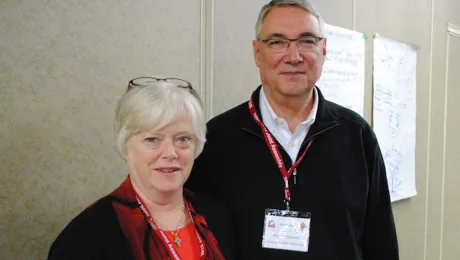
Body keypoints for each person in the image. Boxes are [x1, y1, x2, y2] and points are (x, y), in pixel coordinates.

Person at [185, 0, 399, 259]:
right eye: (277, 42)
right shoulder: (218, 139)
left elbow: (381, 242)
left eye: (307, 41)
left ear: (323, 49)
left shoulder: (357, 136)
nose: (294, 56)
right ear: (257, 53)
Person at [48, 77, 234, 260]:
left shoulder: (217, 216)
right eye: (153, 139)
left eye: (182, 139)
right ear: (126, 145)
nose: (170, 153)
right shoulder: (87, 235)